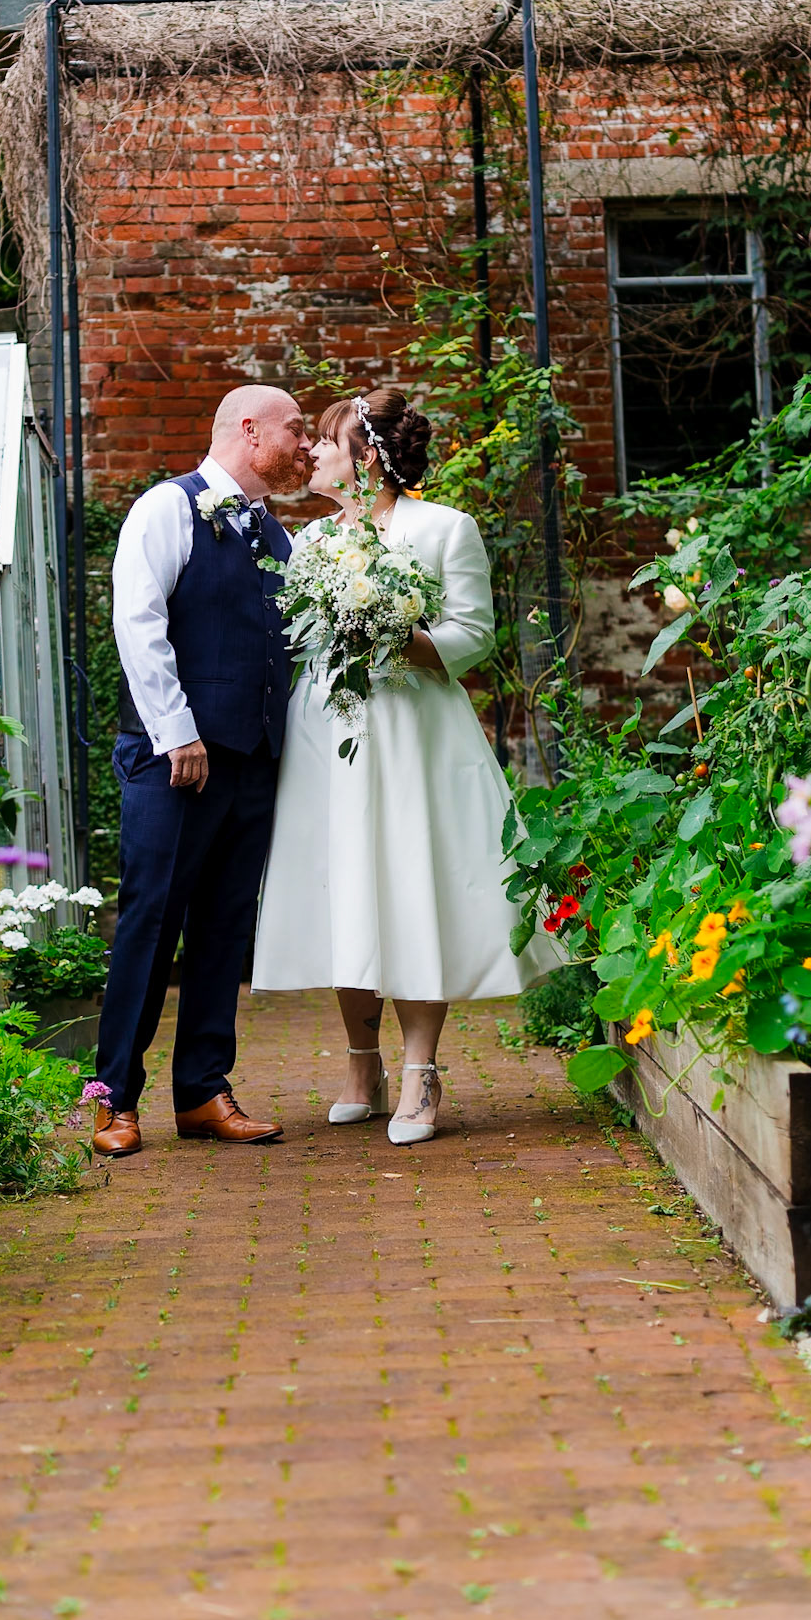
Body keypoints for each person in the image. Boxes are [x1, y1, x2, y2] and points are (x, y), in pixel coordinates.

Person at [253, 387, 562, 1145]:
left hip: (413, 729)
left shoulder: (444, 529)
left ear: (366, 456)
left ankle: (421, 1072)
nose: (311, 453)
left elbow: (473, 637)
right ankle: (363, 1065)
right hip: (330, 732)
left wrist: (397, 629)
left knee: (410, 885)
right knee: (344, 887)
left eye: (325, 442)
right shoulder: (316, 544)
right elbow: (299, 636)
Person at [92, 385, 312, 1158]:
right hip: (175, 760)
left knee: (224, 929)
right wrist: (177, 732)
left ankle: (202, 1093)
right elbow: (138, 621)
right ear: (248, 431)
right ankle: (112, 1100)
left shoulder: (275, 536)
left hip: (251, 762)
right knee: (149, 928)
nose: (304, 443)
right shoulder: (165, 507)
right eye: (294, 430)